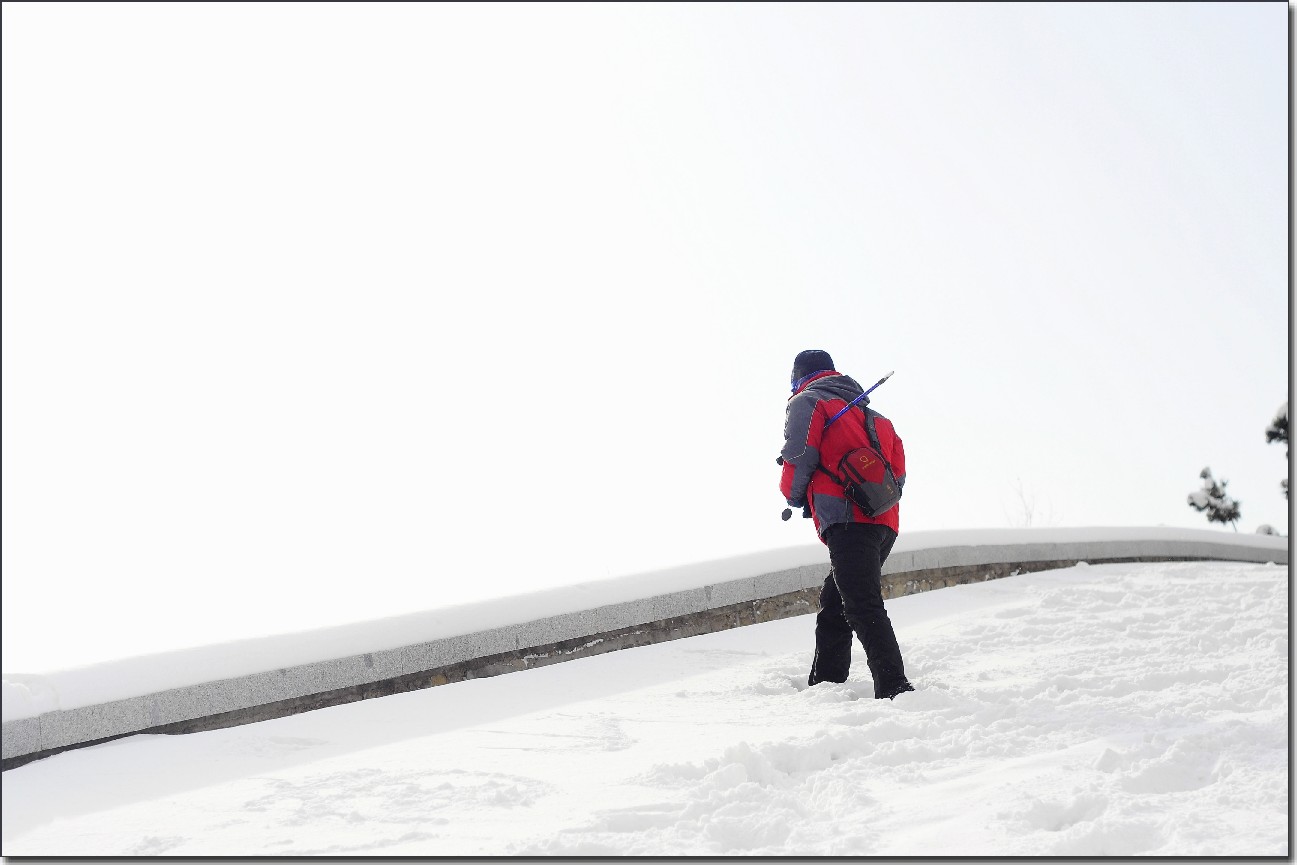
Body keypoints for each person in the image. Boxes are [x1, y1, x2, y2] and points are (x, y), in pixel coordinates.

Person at [779, 349, 915, 700]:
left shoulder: (808, 402)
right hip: (884, 521)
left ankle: (895, 687)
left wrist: (792, 495)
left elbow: (799, 455)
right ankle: (826, 684)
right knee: (836, 599)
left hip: (847, 519)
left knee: (860, 603)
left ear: (799, 377)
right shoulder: (876, 417)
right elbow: (897, 474)